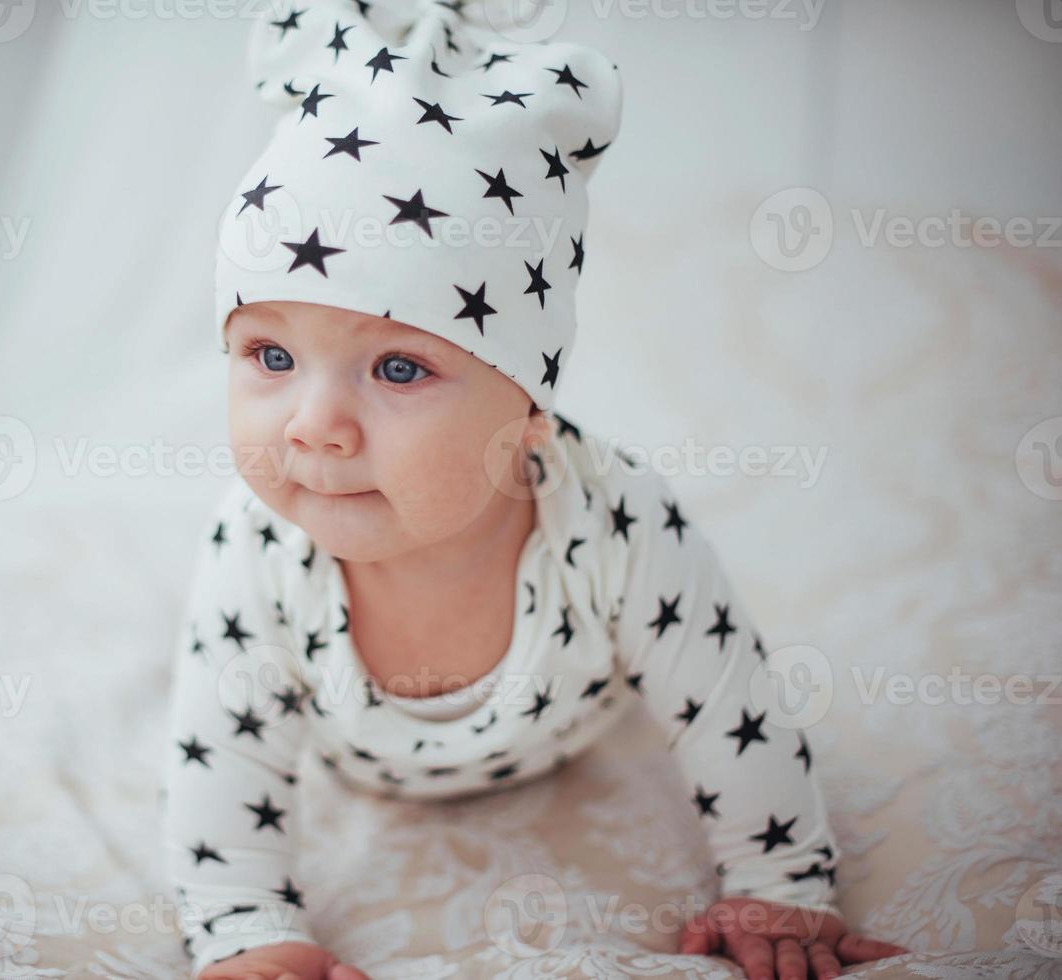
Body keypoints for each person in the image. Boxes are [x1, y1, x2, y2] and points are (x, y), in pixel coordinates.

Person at [162, 1, 911, 977]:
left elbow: (731, 706)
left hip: (570, 727)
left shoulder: (617, 521)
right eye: (269, 353)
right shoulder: (256, 549)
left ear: (528, 411)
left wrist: (779, 884)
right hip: (355, 759)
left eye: (396, 369)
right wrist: (250, 935)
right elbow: (219, 760)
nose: (313, 425)